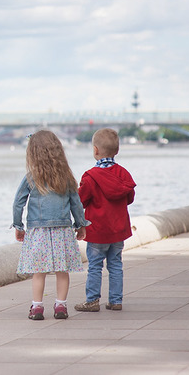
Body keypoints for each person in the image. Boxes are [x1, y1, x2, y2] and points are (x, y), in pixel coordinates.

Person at [12, 130, 89, 321]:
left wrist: (18, 226)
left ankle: (37, 308)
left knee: (39, 272)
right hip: (62, 230)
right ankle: (61, 306)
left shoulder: (31, 177)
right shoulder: (67, 177)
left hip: (38, 231)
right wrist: (80, 225)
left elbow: (18, 203)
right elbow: (76, 204)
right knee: (62, 271)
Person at [74, 128, 136, 312]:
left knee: (95, 265)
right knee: (116, 264)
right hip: (118, 230)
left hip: (97, 230)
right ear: (117, 150)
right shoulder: (123, 174)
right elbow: (129, 198)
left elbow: (81, 201)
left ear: (95, 150)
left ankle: (92, 301)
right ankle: (115, 301)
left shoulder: (90, 176)